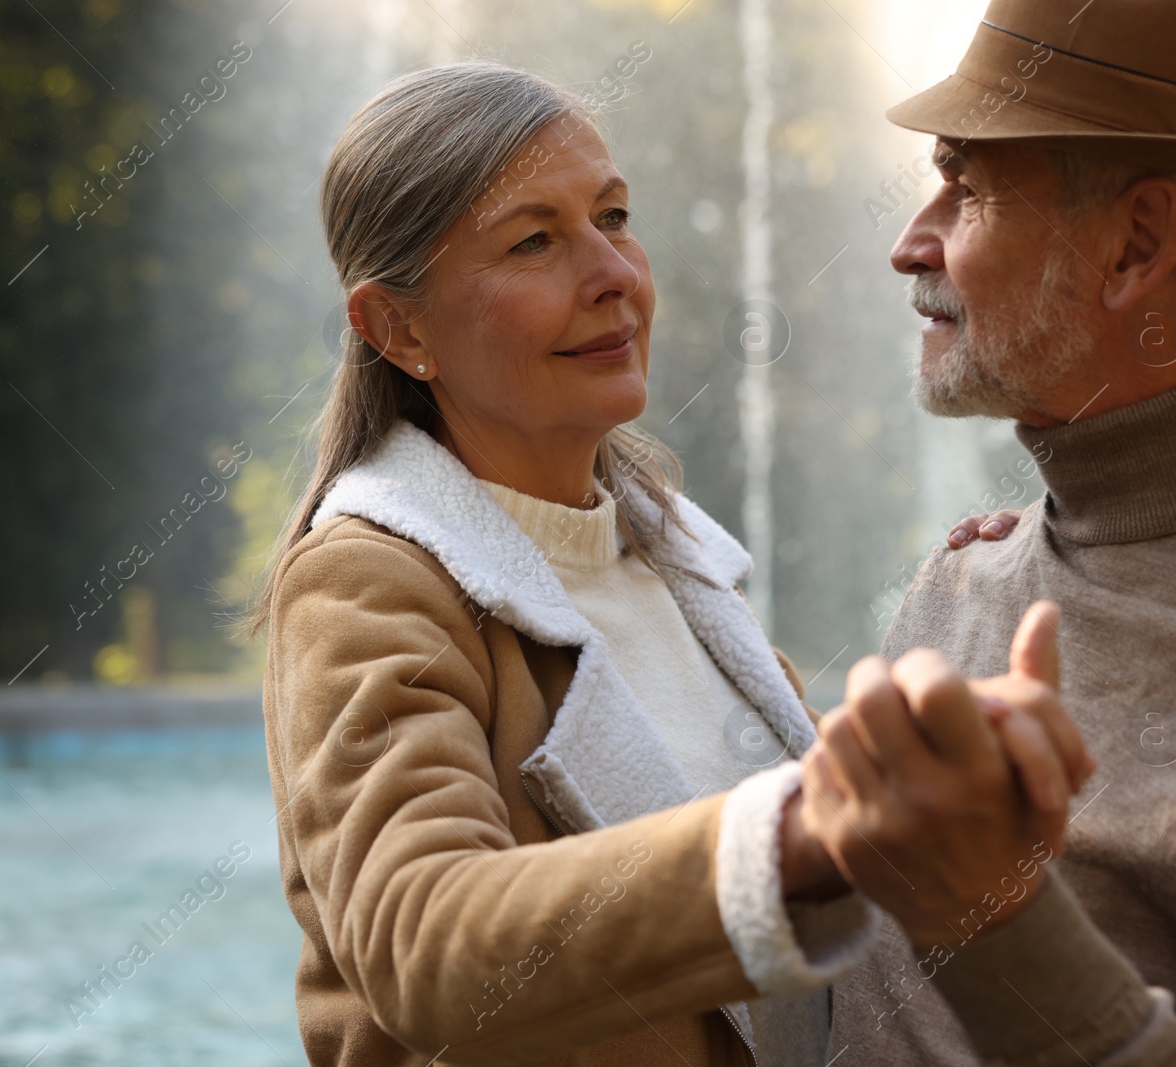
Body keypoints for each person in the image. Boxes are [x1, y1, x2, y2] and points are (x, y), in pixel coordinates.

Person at [250, 61, 1087, 1066]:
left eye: (613, 216)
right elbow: (426, 945)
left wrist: (984, 616)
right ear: (398, 327)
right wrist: (804, 828)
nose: (613, 274)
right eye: (533, 240)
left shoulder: (673, 557)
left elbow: (849, 865)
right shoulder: (368, 578)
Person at [800, 0, 1176, 1063]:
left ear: (1134, 245)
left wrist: (984, 910)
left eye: (964, 185)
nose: (908, 242)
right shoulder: (966, 577)